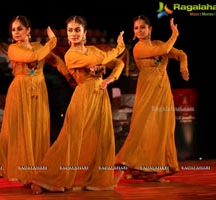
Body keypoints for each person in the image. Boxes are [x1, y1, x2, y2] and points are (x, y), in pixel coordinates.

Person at [30, 15, 125, 194]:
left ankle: (94, 179)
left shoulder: (93, 50)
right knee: (70, 140)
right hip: (83, 97)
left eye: (77, 30)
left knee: (101, 139)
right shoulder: (71, 55)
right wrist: (120, 47)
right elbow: (103, 60)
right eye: (70, 30)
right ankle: (45, 178)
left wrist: (111, 78)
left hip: (101, 97)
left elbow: (118, 63)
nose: (73, 34)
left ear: (85, 33)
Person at [0, 15, 75, 191]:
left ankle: (36, 175)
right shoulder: (13, 49)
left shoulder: (38, 46)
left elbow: (54, 60)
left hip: (39, 92)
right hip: (20, 92)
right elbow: (33, 56)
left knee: (38, 132)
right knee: (15, 133)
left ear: (28, 30)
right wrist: (53, 41)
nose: (16, 32)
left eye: (19, 29)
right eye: (13, 29)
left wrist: (68, 75)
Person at [115, 15, 189, 182]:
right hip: (147, 93)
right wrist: (175, 34)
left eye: (142, 27)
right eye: (136, 28)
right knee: (144, 128)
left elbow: (181, 54)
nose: (139, 30)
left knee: (163, 129)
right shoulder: (138, 48)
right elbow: (164, 51)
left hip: (163, 93)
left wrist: (184, 68)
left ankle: (150, 170)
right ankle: (134, 165)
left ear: (150, 29)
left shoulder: (158, 43)